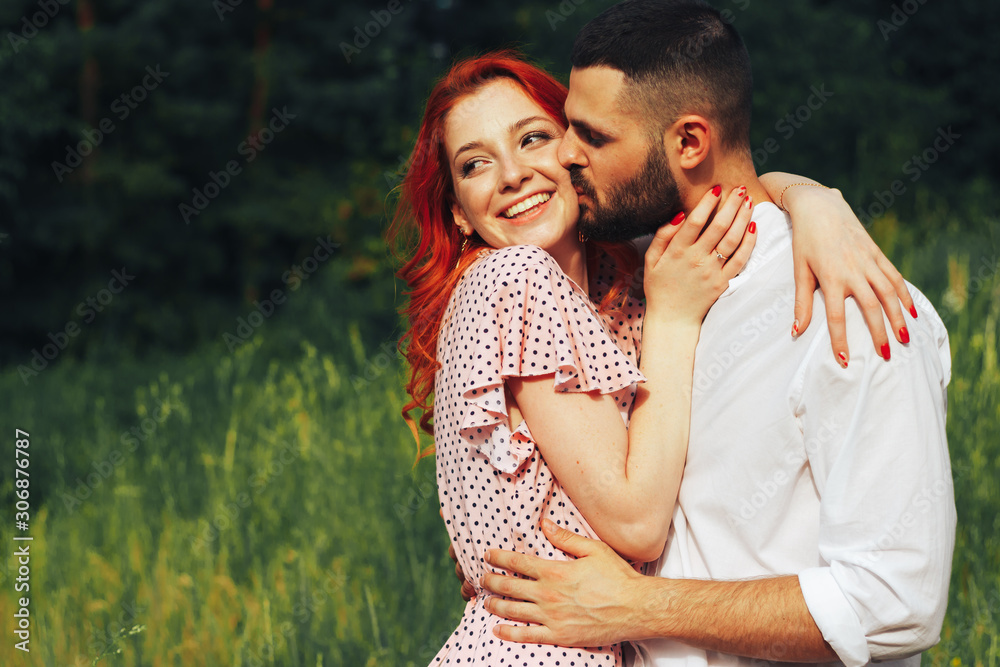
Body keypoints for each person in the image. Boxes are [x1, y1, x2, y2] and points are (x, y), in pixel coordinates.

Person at [388, 50, 920, 665]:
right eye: (475, 163)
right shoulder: (513, 278)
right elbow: (637, 524)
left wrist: (815, 202)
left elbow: (728, 183)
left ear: (575, 154)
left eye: (533, 138)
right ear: (458, 210)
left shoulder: (618, 282)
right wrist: (673, 317)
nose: (511, 174)